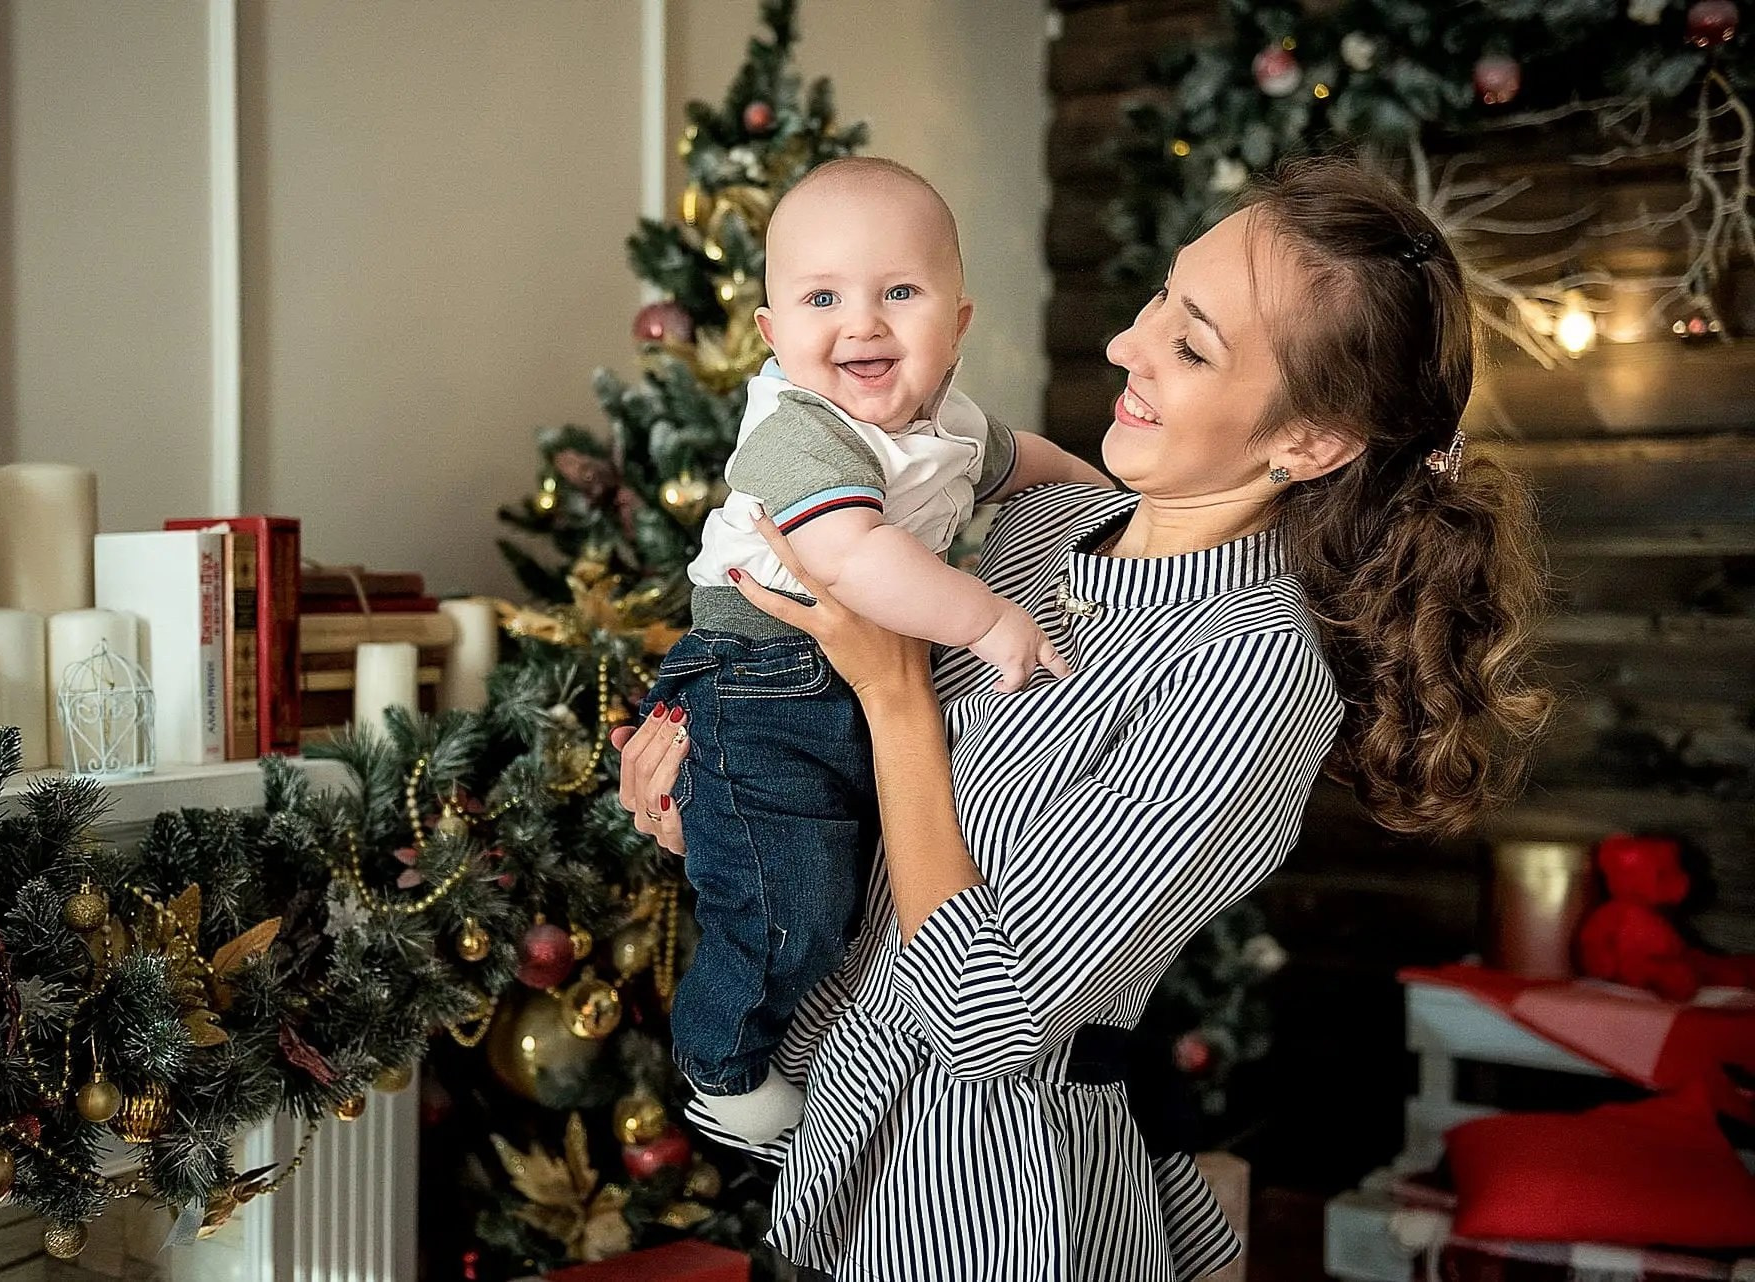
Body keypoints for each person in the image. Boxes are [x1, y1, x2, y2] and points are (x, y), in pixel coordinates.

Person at [613, 156, 1552, 1281]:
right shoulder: (1042, 530)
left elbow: (983, 1019)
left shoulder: (1250, 675)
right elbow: (858, 798)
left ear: (1311, 441)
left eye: (1192, 344)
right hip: (831, 1159)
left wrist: (894, 690)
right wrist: (706, 766)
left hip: (986, 1211)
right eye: (1161, 295)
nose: (1126, 345)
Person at [646, 156, 1110, 1143]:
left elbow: (1026, 461)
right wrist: (985, 619)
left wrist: (1102, 499)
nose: (862, 324)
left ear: (957, 321)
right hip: (757, 679)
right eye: (823, 298)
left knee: (845, 884)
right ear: (772, 334)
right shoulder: (796, 431)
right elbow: (852, 561)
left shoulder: (945, 421)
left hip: (838, 686)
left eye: (900, 292)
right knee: (791, 896)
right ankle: (720, 1067)